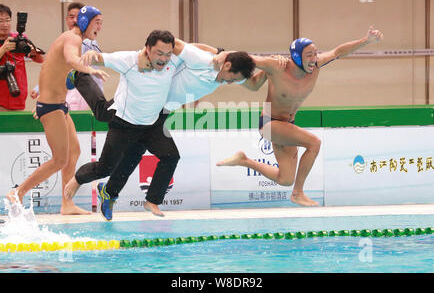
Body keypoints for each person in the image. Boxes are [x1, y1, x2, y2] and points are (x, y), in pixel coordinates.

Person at [64, 33, 257, 221]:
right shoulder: (202, 61)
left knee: (145, 155)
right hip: (134, 109)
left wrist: (276, 65)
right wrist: (219, 52)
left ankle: (123, 195)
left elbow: (254, 81)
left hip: (159, 112)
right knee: (104, 122)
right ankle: (80, 76)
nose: (229, 82)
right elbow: (180, 44)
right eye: (230, 78)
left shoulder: (220, 69)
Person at [217, 26, 384, 207]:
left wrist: (366, 40)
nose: (314, 59)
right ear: (297, 57)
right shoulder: (277, 66)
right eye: (309, 55)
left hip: (287, 124)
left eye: (315, 53)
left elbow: (338, 51)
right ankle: (298, 193)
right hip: (269, 123)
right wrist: (220, 54)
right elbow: (245, 58)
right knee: (314, 143)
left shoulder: (317, 64)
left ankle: (244, 160)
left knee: (285, 179)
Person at [6, 5, 109, 207]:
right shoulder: (73, 39)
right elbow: (71, 59)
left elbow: (57, 69)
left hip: (60, 105)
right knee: (60, 159)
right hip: (51, 107)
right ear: (85, 21)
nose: (100, 26)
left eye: (102, 23)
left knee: (74, 152)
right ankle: (18, 192)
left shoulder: (74, 38)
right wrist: (91, 70)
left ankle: (67, 204)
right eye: (97, 22)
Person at [0, 4, 44, 111]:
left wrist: (33, 51)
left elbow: (40, 60)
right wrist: (3, 49)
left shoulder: (19, 39)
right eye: (1, 21)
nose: (5, 24)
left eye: (8, 20)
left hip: (18, 98)